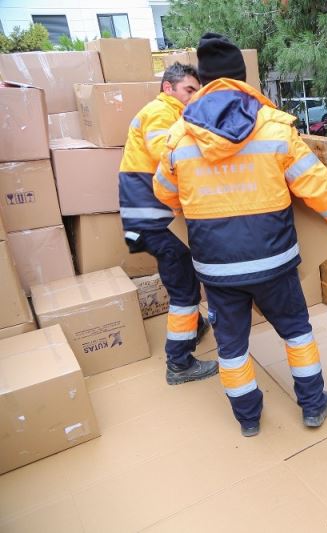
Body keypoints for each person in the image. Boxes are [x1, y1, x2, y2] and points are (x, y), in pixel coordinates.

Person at [153, 33, 327, 437]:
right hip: (274, 263)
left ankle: (248, 420)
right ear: (243, 79)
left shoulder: (180, 135)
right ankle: (314, 406)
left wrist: (190, 205)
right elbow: (314, 184)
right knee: (297, 333)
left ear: (207, 81)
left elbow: (163, 192)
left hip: (216, 268)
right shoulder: (275, 128)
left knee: (231, 349)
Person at [118, 62, 217, 385]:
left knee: (184, 281)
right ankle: (179, 363)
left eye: (196, 91)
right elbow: (170, 156)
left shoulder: (166, 113)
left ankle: (195, 326)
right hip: (158, 222)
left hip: (156, 220)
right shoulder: (161, 113)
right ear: (168, 88)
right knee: (185, 293)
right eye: (189, 90)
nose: (193, 96)